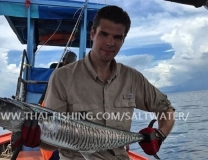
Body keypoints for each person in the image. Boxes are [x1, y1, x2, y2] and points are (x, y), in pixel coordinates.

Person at [12, 5, 175, 160]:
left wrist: (159, 136)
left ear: (123, 40)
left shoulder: (132, 78)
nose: (110, 42)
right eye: (104, 34)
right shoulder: (62, 77)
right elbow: (53, 139)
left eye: (117, 37)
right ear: (92, 34)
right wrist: (36, 139)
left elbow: (166, 108)